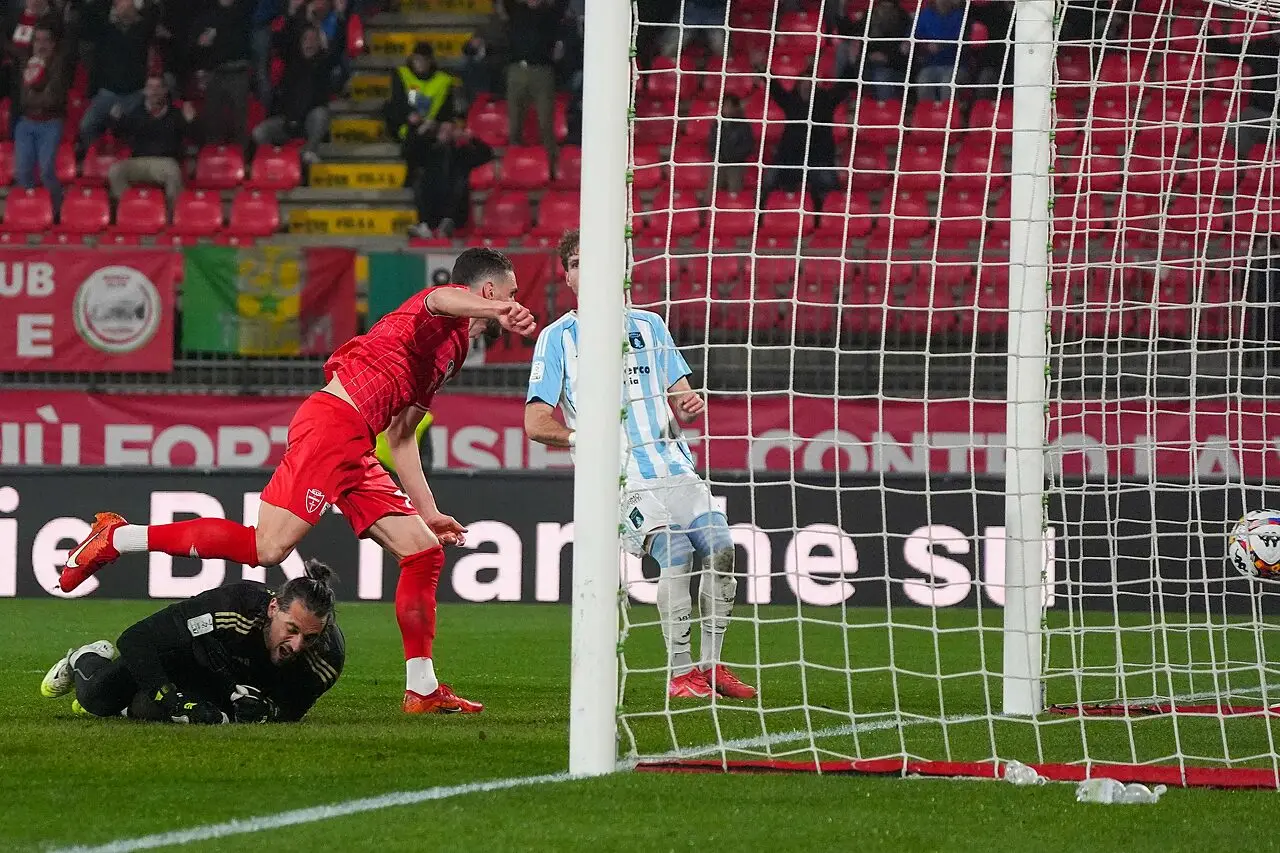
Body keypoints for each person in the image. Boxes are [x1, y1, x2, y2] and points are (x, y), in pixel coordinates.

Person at [59, 249, 537, 715]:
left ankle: (422, 690)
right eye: (510, 293)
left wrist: (428, 511)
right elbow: (441, 298)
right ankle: (118, 537)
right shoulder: (436, 313)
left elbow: (402, 434)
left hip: (357, 445)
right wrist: (500, 310)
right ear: (487, 290)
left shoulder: (454, 352)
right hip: (334, 424)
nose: (515, 301)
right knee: (267, 549)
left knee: (423, 552)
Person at [524, 230, 755, 701]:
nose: (586, 270)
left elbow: (683, 397)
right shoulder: (557, 339)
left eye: (594, 259)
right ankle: (680, 674)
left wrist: (689, 403)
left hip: (676, 470)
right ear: (567, 278)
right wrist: (580, 438)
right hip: (621, 480)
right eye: (575, 263)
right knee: (677, 553)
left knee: (721, 550)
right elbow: (534, 422)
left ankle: (711, 666)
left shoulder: (650, 325)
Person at [41, 560, 344, 724]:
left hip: (222, 682)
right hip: (187, 656)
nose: (297, 645)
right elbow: (135, 639)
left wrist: (268, 710)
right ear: (273, 608)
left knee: (151, 709)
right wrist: (170, 698)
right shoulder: (232, 606)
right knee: (96, 700)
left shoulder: (326, 658)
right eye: (291, 629)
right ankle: (86, 657)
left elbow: (293, 708)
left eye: (310, 637)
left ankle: (138, 704)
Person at [761, 72, 855, 212]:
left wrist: (852, 66)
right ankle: (763, 215)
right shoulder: (791, 100)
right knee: (768, 182)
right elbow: (775, 89)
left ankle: (825, 218)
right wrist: (762, 69)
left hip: (819, 158)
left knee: (830, 191)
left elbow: (843, 87)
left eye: (810, 83)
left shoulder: (825, 100)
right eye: (803, 82)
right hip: (790, 157)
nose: (806, 86)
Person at [77, 0, 159, 156]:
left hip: (135, 93)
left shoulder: (143, 29)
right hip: (108, 92)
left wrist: (137, 14)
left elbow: (154, 11)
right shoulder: (106, 29)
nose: (121, 6)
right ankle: (96, 157)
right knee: (86, 126)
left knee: (138, 130)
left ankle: (130, 159)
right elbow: (88, 17)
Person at [106, 75, 196, 214]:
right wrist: (115, 120)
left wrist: (191, 122)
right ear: (145, 91)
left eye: (158, 87)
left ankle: (172, 216)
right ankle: (131, 210)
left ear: (165, 90)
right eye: (150, 87)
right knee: (115, 171)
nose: (154, 91)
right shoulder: (136, 113)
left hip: (165, 162)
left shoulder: (175, 114)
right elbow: (120, 133)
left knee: (173, 171)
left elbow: (192, 137)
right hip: (139, 161)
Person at [251, 25, 332, 164]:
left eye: (313, 40)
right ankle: (274, 158)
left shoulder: (324, 65)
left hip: (308, 121)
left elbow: (337, 52)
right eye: (306, 39)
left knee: (321, 114)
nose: (309, 43)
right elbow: (280, 40)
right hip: (287, 120)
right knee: (259, 132)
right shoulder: (291, 64)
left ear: (319, 44)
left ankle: (308, 152)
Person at [501, 0, 563, 168]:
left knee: (545, 123)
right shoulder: (516, 10)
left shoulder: (550, 13)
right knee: (514, 122)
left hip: (542, 70)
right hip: (517, 69)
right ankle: (514, 165)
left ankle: (550, 167)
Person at [406, 121, 492, 239]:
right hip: (432, 200)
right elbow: (408, 153)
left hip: (453, 206)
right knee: (419, 180)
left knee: (460, 181)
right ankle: (424, 225)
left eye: (449, 131)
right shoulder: (429, 151)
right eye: (443, 131)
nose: (445, 134)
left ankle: (447, 224)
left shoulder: (462, 153)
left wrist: (472, 139)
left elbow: (487, 155)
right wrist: (419, 132)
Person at [14, 24, 66, 210]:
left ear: (53, 44)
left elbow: (52, 99)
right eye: (37, 40)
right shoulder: (26, 63)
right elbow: (23, 99)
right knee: (22, 172)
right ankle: (29, 211)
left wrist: (34, 96)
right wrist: (37, 97)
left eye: (46, 41)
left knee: (46, 172)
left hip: (50, 123)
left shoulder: (59, 66)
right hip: (26, 123)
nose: (41, 45)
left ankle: (57, 212)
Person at [191, 0, 254, 146]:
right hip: (215, 72)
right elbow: (196, 45)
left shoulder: (244, 11)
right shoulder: (207, 15)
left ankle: (241, 156)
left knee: (240, 121)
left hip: (238, 70)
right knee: (212, 121)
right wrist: (200, 65)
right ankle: (213, 155)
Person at [913, 0, 966, 101]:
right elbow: (916, 37)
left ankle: (949, 111)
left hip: (956, 66)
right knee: (923, 81)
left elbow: (962, 39)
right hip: (931, 64)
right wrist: (926, 46)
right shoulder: (925, 15)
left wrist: (941, 46)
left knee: (947, 85)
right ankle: (928, 111)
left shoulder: (961, 16)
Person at [706, 93, 755, 193]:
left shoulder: (743, 125)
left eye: (729, 106)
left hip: (736, 164)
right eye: (724, 105)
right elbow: (712, 143)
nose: (726, 108)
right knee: (711, 191)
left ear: (735, 108)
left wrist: (733, 158)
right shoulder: (717, 124)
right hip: (720, 162)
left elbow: (747, 146)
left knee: (734, 190)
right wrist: (718, 156)